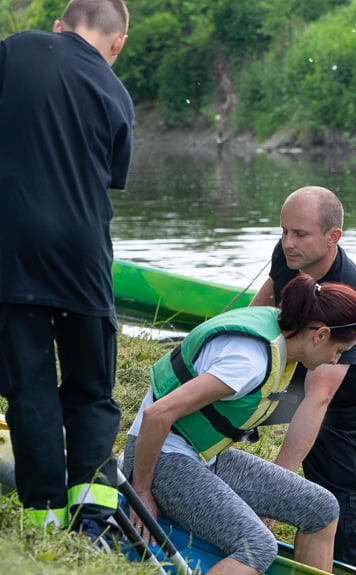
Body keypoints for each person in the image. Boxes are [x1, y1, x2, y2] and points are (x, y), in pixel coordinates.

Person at [125, 275, 356, 574]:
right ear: (319, 335)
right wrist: (141, 492)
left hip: (201, 455)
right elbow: (157, 414)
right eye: (339, 351)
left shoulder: (282, 329)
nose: (335, 359)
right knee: (258, 546)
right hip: (160, 456)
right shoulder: (248, 362)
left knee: (323, 508)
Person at [0, 0, 133, 542]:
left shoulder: (18, 50)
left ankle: (43, 516)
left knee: (29, 387)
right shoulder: (117, 93)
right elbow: (106, 180)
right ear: (117, 42)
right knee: (91, 390)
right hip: (84, 258)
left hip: (14, 253)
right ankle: (93, 519)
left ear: (59, 24)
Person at [249, 186, 356, 571]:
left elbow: (320, 398)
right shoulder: (288, 254)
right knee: (226, 405)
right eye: (283, 231)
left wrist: (272, 494)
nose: (288, 243)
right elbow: (269, 294)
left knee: (339, 491)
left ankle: (352, 566)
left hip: (352, 399)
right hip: (301, 364)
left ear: (333, 238)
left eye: (300, 234)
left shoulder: (349, 292)